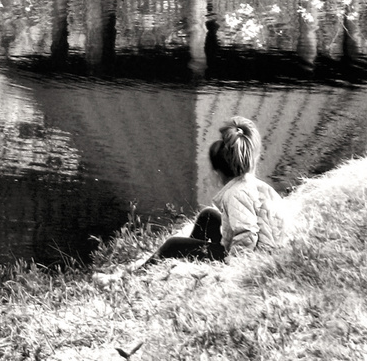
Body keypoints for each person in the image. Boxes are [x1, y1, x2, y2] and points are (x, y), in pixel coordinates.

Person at [93, 117, 286, 283]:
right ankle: (184, 258)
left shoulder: (236, 193)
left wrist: (232, 268)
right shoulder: (250, 184)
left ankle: (130, 280)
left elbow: (247, 235)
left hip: (251, 259)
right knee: (208, 215)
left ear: (218, 172)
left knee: (173, 244)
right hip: (264, 249)